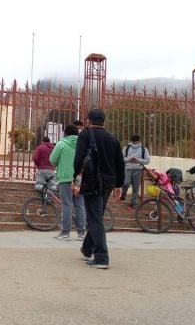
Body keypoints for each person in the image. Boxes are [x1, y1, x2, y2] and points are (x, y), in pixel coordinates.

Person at [73, 109, 125, 269]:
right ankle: (88, 249)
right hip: (109, 182)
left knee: (94, 218)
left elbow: (78, 159)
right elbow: (120, 163)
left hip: (92, 181)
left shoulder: (85, 135)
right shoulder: (113, 138)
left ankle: (101, 257)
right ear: (104, 121)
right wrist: (119, 184)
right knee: (97, 215)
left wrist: (75, 178)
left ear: (88, 120)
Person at [49, 125, 85, 241]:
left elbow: (52, 160)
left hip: (65, 178)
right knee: (79, 205)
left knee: (67, 204)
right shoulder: (82, 144)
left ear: (65, 133)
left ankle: (65, 232)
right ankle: (81, 233)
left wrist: (61, 163)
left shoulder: (61, 144)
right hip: (79, 179)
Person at [120, 134, 151, 210]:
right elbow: (121, 158)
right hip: (127, 169)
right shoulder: (126, 148)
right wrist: (129, 159)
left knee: (135, 187)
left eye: (136, 142)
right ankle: (123, 195)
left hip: (138, 170)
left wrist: (138, 160)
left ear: (139, 141)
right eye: (133, 142)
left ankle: (133, 203)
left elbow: (147, 160)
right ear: (131, 141)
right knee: (125, 183)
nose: (135, 144)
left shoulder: (144, 149)